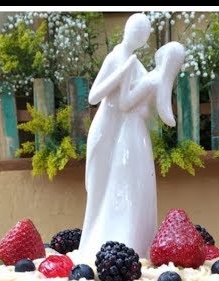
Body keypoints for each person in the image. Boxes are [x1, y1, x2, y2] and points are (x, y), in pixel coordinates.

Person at [79, 14, 184, 260]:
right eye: (137, 30)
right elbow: (94, 96)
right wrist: (122, 72)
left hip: (127, 130)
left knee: (126, 184)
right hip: (107, 127)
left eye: (144, 34)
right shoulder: (117, 58)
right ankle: (94, 246)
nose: (140, 37)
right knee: (98, 187)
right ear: (127, 29)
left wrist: (140, 79)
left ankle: (126, 246)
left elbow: (139, 101)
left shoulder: (138, 66)